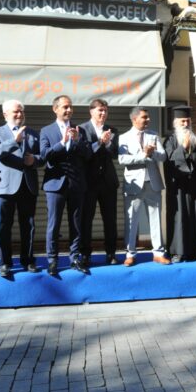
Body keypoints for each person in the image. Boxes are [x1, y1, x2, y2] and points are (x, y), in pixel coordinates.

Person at [40, 95, 92, 276]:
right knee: (53, 224)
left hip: (77, 184)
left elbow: (88, 155)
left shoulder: (80, 130)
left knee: (76, 223)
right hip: (55, 184)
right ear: (55, 109)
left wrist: (77, 141)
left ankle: (75, 258)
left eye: (70, 107)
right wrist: (62, 143)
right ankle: (52, 260)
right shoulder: (46, 131)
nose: (69, 110)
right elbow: (45, 155)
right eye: (65, 107)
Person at [0, 100, 41, 278]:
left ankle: (27, 260)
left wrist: (34, 160)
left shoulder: (34, 133)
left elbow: (43, 156)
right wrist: (14, 140)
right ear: (5, 114)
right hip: (4, 188)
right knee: (3, 226)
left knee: (28, 226)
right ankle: (4, 262)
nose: (19, 115)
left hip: (27, 185)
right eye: (15, 112)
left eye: (21, 111)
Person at [117, 106, 171, 266]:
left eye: (148, 117)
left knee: (155, 219)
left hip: (152, 183)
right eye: (144, 117)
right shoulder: (124, 137)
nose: (148, 120)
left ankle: (158, 253)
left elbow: (163, 156)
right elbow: (122, 160)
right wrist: (143, 155)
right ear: (134, 119)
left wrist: (153, 152)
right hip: (134, 184)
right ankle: (130, 253)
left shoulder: (153, 135)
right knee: (131, 220)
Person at [163, 105, 196, 262]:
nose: (185, 124)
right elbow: (170, 161)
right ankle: (178, 252)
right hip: (178, 187)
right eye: (182, 121)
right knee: (179, 218)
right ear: (175, 122)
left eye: (187, 121)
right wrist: (183, 147)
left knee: (195, 217)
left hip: (195, 185)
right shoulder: (169, 140)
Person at [79, 99, 120, 267]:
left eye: (105, 111)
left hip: (108, 182)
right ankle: (85, 254)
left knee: (110, 219)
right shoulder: (81, 129)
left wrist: (108, 142)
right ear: (91, 112)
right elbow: (84, 153)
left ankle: (111, 253)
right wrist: (100, 142)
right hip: (88, 182)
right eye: (100, 110)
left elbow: (115, 153)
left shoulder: (113, 130)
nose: (103, 113)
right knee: (86, 219)